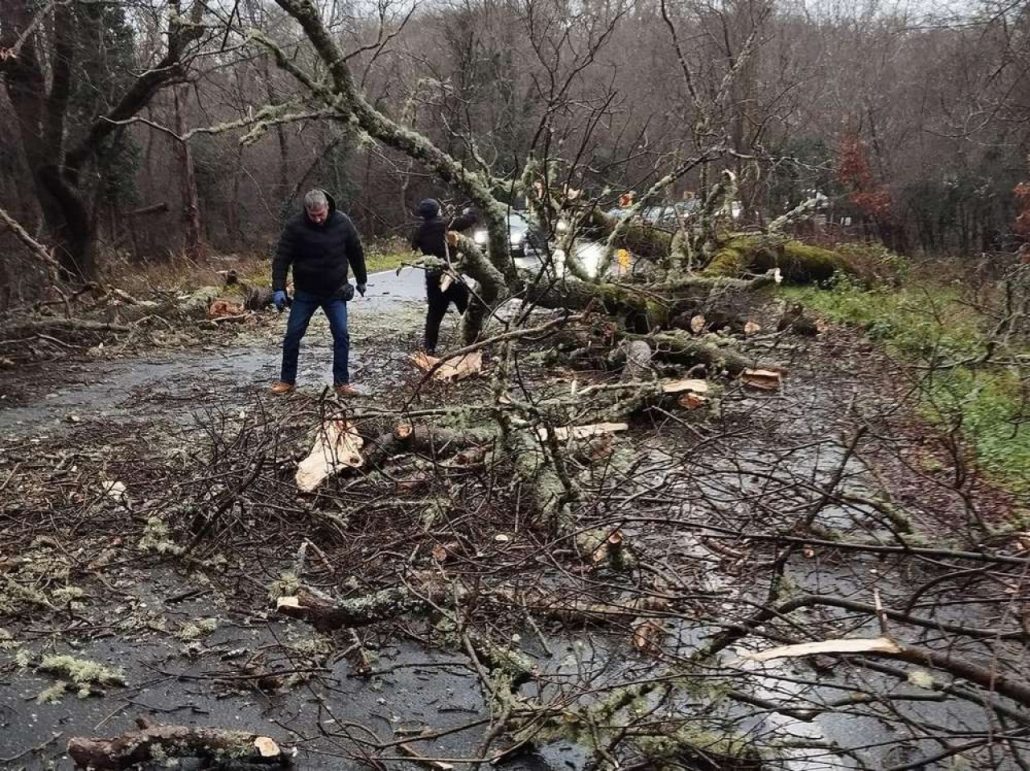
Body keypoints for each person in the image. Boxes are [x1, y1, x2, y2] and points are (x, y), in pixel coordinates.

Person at [270, 189, 367, 396]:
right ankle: (287, 381)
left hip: (335, 291)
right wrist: (278, 288)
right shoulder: (295, 226)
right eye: (312, 215)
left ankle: (342, 383)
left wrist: (361, 279)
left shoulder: (342, 222)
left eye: (320, 214)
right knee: (293, 335)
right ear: (306, 210)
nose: (317, 219)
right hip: (306, 291)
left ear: (327, 207)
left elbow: (355, 251)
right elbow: (281, 258)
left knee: (341, 334)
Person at [411, 198, 478, 354]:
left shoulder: (419, 231)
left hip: (433, 277)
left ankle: (429, 347)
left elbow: (414, 245)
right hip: (452, 275)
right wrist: (471, 209)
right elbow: (469, 220)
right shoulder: (446, 224)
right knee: (467, 310)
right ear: (437, 211)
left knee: (434, 314)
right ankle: (474, 343)